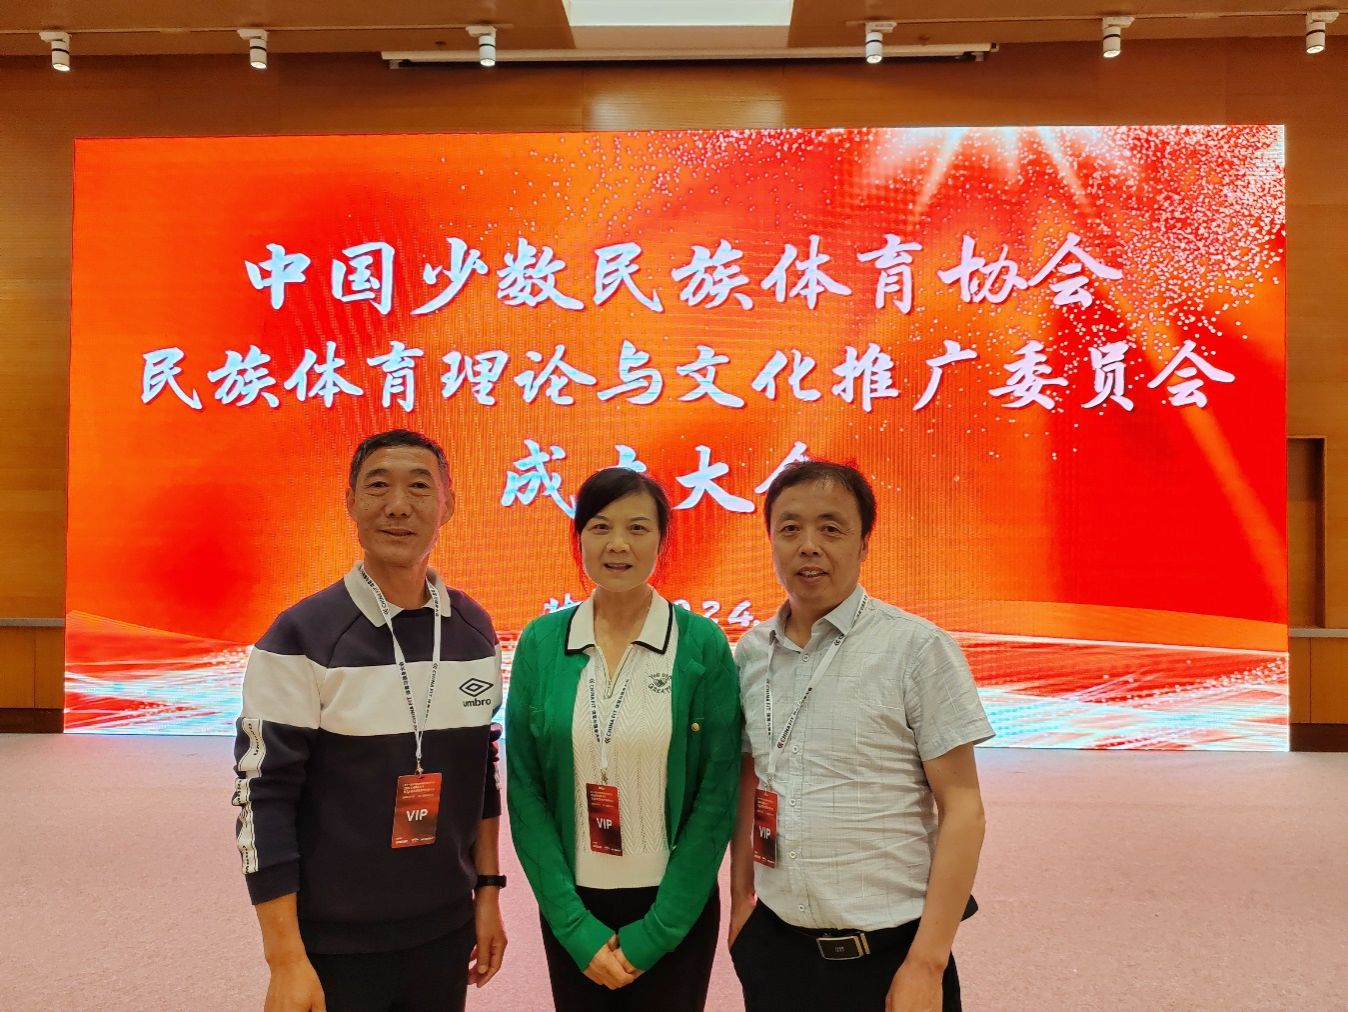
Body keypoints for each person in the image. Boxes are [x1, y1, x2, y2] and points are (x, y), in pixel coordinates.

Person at [231, 429, 507, 1012]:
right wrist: (285, 959)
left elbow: (481, 773)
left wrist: (487, 893)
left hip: (445, 928)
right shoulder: (300, 636)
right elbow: (264, 798)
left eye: (419, 487)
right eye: (378, 486)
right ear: (351, 503)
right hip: (335, 941)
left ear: (448, 504)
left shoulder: (474, 631)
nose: (398, 505)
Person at [729, 460, 993, 1012]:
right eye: (790, 528)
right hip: (775, 951)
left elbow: (963, 808)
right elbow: (749, 781)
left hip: (889, 957)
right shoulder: (751, 653)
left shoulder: (917, 649)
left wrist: (927, 963)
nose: (809, 545)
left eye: (831, 528)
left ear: (864, 543)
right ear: (771, 540)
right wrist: (740, 906)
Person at [505, 467, 741, 1011]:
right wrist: (573, 926)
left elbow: (716, 794)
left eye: (637, 528)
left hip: (673, 909)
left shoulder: (701, 644)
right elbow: (526, 791)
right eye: (600, 526)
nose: (618, 544)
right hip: (575, 913)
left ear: (662, 539)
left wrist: (658, 931)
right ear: (579, 537)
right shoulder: (541, 642)